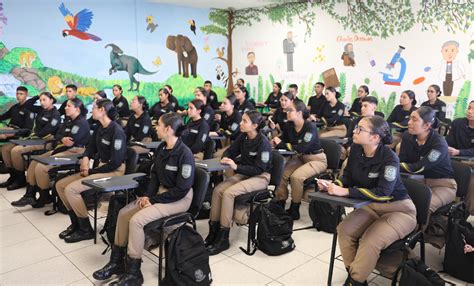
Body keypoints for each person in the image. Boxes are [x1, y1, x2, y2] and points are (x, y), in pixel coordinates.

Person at [93, 112, 194, 285]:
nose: (156, 128)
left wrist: (153, 200)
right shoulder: (162, 148)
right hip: (161, 194)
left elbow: (181, 189)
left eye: (159, 125)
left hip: (179, 198)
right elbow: (154, 175)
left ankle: (134, 272)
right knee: (124, 213)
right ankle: (117, 262)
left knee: (136, 221)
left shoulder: (185, 154)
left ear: (168, 129)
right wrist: (148, 195)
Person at [318, 115, 416, 285]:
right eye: (356, 127)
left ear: (375, 137)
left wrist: (346, 191)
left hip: (399, 209)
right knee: (344, 230)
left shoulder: (390, 158)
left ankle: (354, 281)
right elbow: (347, 177)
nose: (354, 131)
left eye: (360, 129)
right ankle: (357, 277)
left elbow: (383, 193)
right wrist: (334, 186)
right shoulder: (356, 150)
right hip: (371, 206)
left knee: (370, 240)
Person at [55, 99, 127, 243]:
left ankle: (86, 229)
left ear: (102, 110)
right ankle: (76, 223)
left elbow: (115, 163)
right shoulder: (100, 127)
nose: (91, 110)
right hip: (101, 168)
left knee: (71, 190)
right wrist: (86, 157)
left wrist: (92, 172)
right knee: (60, 185)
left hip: (114, 171)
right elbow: (90, 146)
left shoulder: (116, 131)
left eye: (94, 107)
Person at [205, 111, 272, 255]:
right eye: (241, 120)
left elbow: (260, 169)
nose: (240, 123)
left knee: (229, 193)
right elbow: (230, 151)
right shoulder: (243, 137)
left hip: (260, 177)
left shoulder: (264, 143)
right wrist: (226, 158)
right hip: (245, 173)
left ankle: (223, 237)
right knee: (218, 190)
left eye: (245, 121)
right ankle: (213, 231)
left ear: (254, 126)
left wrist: (236, 167)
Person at [12, 98, 90, 208]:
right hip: (62, 148)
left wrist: (61, 139)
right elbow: (58, 135)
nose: (65, 108)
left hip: (75, 152)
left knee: (41, 166)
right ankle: (30, 195)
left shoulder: (81, 123)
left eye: (69, 106)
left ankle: (45, 196)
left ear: (77, 109)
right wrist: (62, 139)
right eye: (66, 106)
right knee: (34, 162)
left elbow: (72, 141)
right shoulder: (68, 120)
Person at [273, 101, 327, 220]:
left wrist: (281, 144)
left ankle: (294, 208)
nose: (287, 111)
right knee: (281, 173)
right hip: (301, 157)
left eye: (290, 110)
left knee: (296, 177)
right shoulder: (289, 125)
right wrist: (276, 140)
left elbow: (303, 147)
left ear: (299, 113)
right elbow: (285, 138)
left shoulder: (310, 127)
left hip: (317, 159)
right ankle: (280, 202)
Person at [399, 106, 456, 216]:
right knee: (398, 205)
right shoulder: (407, 136)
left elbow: (420, 167)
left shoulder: (439, 142)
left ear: (427, 125)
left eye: (414, 120)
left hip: (441, 185)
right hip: (416, 182)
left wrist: (393, 166)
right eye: (410, 118)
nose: (409, 122)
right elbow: (402, 160)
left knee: (420, 207)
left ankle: (421, 232)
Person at [0, 92, 61, 190]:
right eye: (40, 100)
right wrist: (37, 96)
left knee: (16, 151)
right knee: (5, 149)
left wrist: (33, 136)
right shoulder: (41, 109)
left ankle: (20, 180)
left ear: (51, 100)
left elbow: (48, 130)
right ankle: (13, 177)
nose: (42, 102)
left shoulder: (55, 114)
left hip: (45, 141)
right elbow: (27, 105)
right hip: (34, 139)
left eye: (44, 100)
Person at [446, 100, 474, 215]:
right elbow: (449, 141)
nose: (470, 111)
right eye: (469, 108)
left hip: (470, 162)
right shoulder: (457, 123)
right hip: (454, 159)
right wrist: (446, 148)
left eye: (473, 109)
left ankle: (468, 214)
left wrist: (459, 151)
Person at [211, 94, 242, 158]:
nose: (222, 105)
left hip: (239, 143)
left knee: (217, 156)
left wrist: (215, 133)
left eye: (225, 103)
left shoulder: (237, 116)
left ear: (232, 106)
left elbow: (230, 133)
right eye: (222, 103)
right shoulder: (224, 114)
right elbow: (222, 128)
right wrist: (219, 132)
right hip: (228, 141)